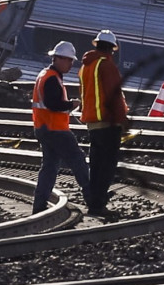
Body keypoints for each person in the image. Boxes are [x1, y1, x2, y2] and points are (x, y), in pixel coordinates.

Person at [31, 41, 93, 214]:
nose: (71, 64)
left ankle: (39, 205)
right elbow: (53, 104)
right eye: (68, 60)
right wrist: (70, 104)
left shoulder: (46, 74)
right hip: (55, 129)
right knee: (78, 160)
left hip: (44, 127)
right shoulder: (51, 78)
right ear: (57, 59)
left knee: (50, 167)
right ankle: (92, 199)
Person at [79, 30, 129, 217]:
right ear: (110, 48)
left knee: (96, 165)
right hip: (108, 124)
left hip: (92, 123)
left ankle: (94, 201)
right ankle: (98, 205)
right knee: (106, 167)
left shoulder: (86, 66)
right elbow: (114, 96)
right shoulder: (107, 65)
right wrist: (123, 119)